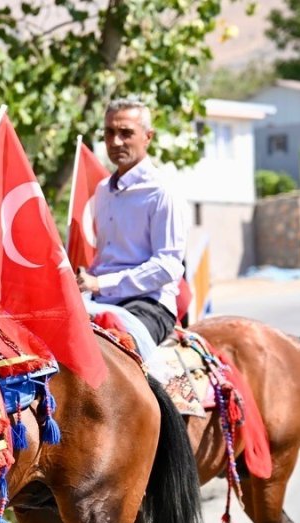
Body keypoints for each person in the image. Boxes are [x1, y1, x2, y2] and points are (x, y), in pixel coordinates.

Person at [77, 97, 188, 359]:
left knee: (116, 360)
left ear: (148, 137)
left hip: (149, 305)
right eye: (109, 132)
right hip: (100, 300)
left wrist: (100, 283)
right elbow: (109, 257)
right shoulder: (104, 190)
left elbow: (167, 266)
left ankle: (162, 403)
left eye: (126, 133)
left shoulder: (163, 191)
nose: (115, 142)